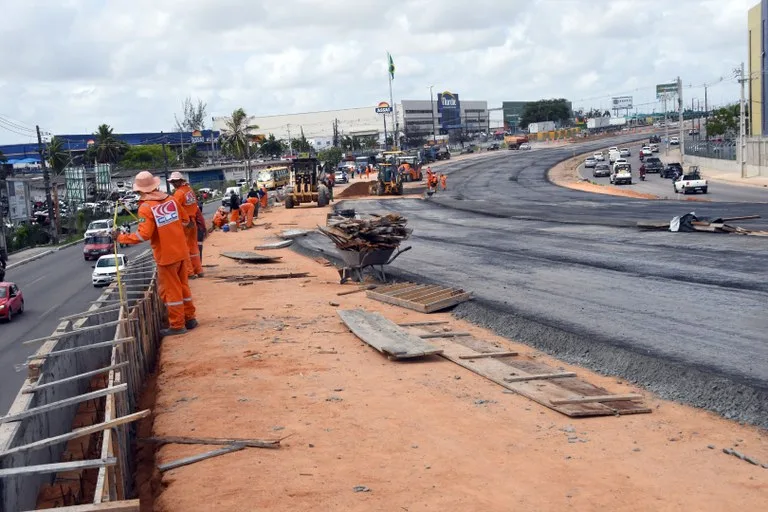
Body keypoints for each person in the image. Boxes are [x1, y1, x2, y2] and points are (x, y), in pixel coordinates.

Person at [116, 171, 197, 336]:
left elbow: (143, 235)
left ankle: (177, 325)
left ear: (140, 190)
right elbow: (185, 221)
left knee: (171, 291)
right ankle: (190, 318)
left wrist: (120, 237)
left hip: (166, 256)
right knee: (183, 286)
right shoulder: (171, 199)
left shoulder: (145, 207)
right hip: (181, 251)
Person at [168, 172, 204, 278]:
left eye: (175, 181)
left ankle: (189, 272)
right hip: (192, 221)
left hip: (185, 222)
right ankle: (198, 269)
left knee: (184, 247)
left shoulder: (179, 193)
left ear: (180, 181)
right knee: (193, 247)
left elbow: (175, 209)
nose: (173, 184)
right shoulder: (190, 191)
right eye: (172, 182)